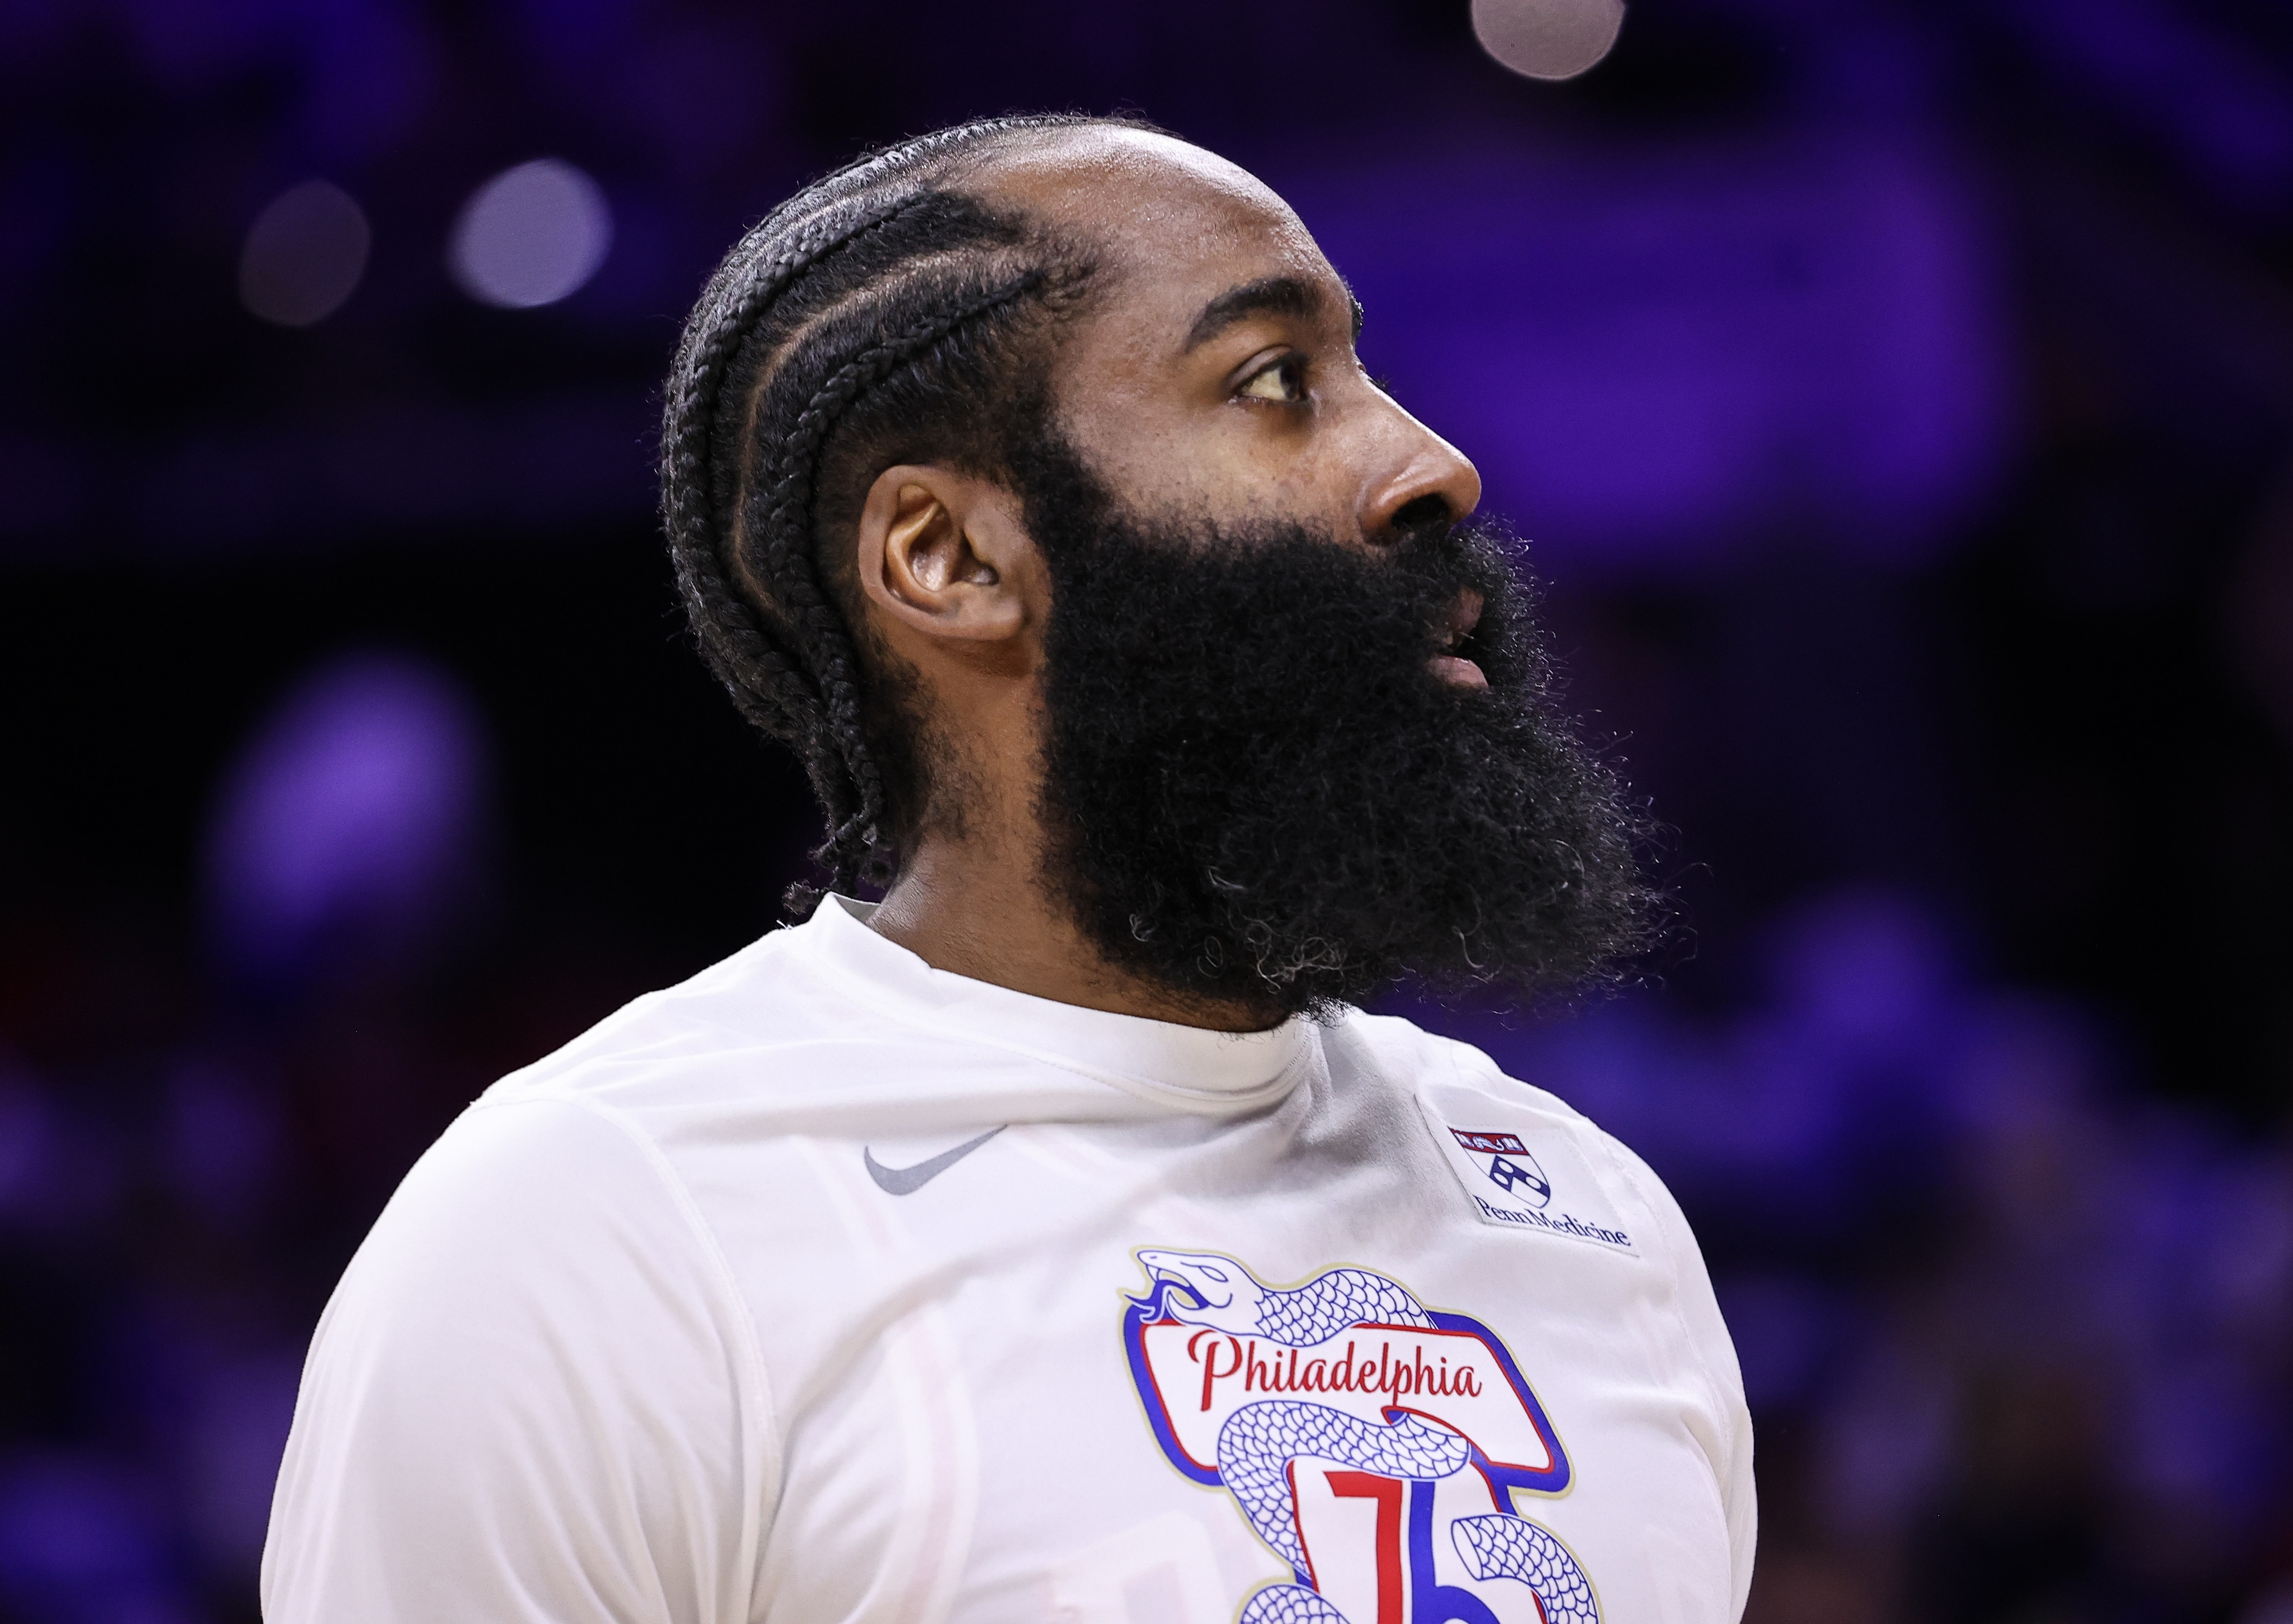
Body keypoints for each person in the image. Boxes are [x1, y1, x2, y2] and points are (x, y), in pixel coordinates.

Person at [261, 113, 1754, 1624]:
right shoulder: (599, 1235)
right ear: (950, 558)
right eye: (1275, 383)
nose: (1434, 466)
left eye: (1363, 372)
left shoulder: (1587, 1212)